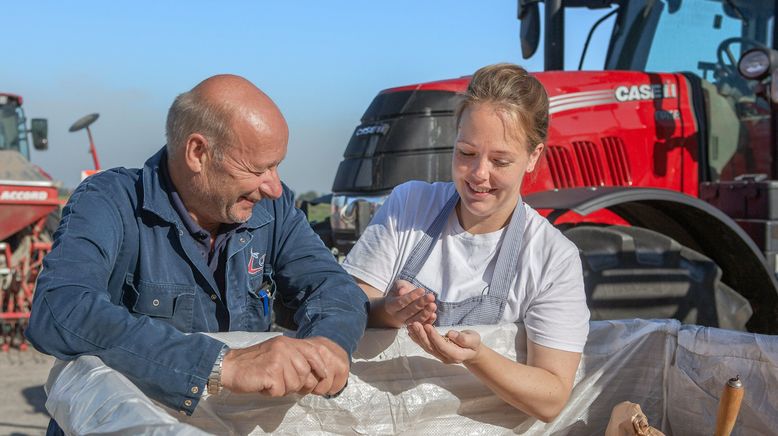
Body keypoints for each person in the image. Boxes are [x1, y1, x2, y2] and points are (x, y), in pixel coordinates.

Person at [26, 75, 369, 426]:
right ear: (197, 153)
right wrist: (221, 365)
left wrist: (329, 343)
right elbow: (60, 309)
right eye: (258, 168)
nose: (274, 187)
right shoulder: (111, 202)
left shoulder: (273, 214)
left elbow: (333, 287)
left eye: (277, 165)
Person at [342, 63, 589, 422]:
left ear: (534, 156)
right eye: (466, 153)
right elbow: (346, 306)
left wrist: (477, 357)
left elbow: (550, 398)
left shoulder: (554, 257)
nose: (479, 174)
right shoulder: (409, 205)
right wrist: (387, 311)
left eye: (500, 160)